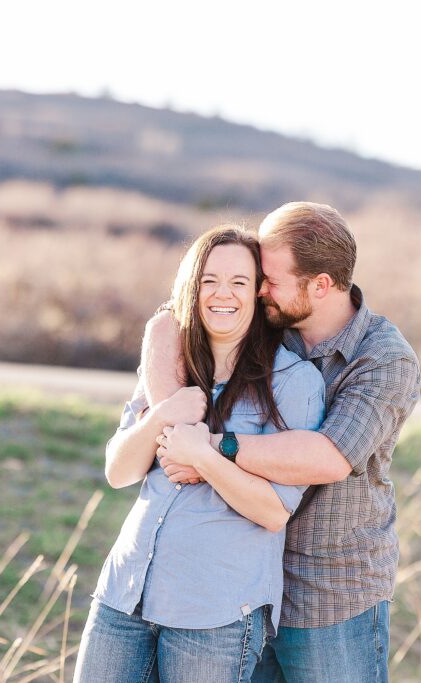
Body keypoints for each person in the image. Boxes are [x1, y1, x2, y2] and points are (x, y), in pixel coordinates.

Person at [147, 202, 421, 683]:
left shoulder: (383, 359)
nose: (258, 290)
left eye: (269, 280)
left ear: (321, 285)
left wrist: (208, 447)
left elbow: (329, 457)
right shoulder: (271, 321)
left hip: (328, 593)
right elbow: (180, 316)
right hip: (243, 582)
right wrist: (162, 360)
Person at [73, 225, 326, 683]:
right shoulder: (171, 366)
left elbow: (274, 512)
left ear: (258, 293)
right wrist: (160, 417)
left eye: (238, 282)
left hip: (215, 613)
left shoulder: (294, 382)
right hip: (126, 594)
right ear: (192, 287)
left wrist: (205, 457)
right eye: (209, 281)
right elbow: (119, 471)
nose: (221, 295)